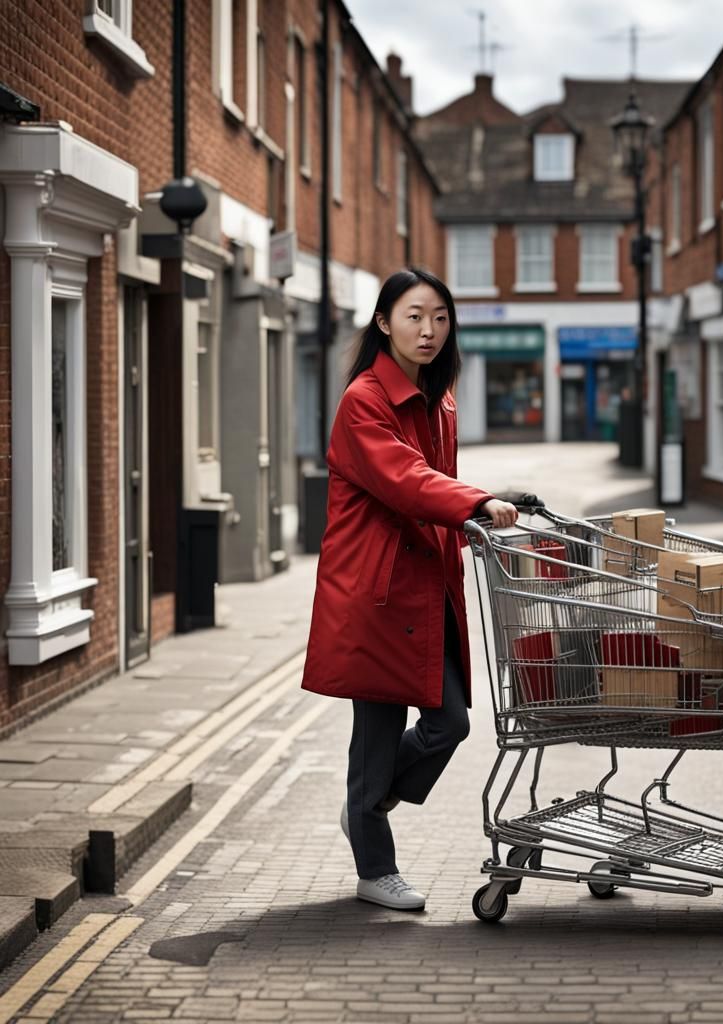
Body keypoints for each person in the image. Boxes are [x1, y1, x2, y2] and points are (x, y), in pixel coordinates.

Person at [301, 268, 518, 911]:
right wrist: (479, 503)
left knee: (450, 721)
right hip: (377, 593)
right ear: (383, 322)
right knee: (376, 730)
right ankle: (376, 868)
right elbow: (405, 481)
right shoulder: (364, 400)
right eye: (415, 315)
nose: (429, 330)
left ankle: (365, 804)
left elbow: (430, 485)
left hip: (426, 586)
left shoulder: (439, 400)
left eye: (441, 317)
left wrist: (478, 509)